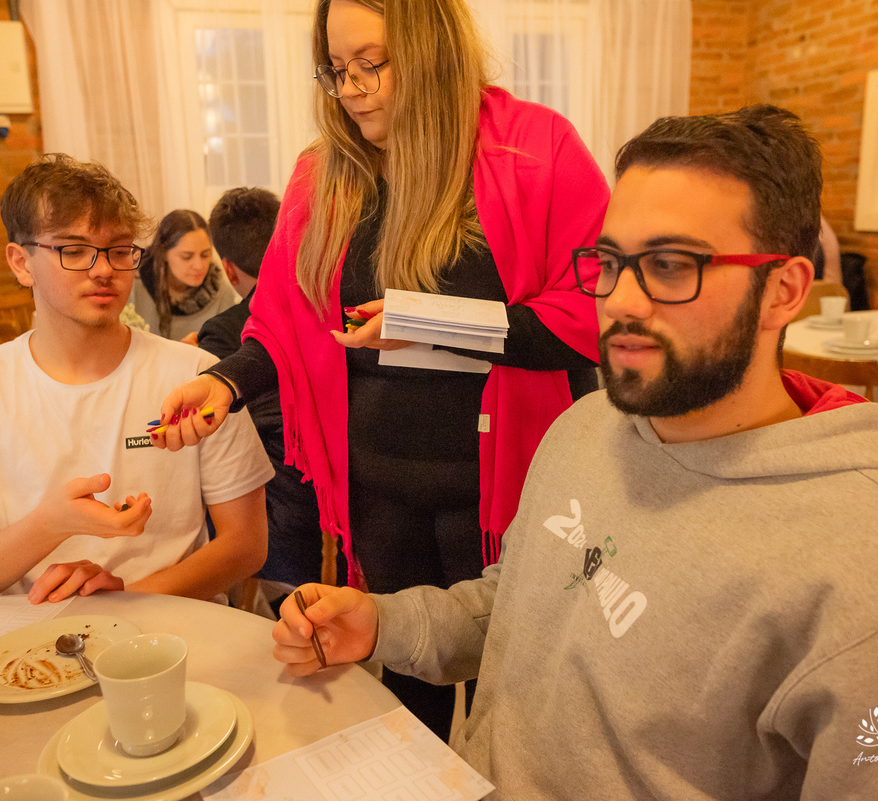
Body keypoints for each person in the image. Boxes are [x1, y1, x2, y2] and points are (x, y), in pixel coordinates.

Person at [271, 106, 878, 799]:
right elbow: (518, 606)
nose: (621, 298)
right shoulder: (587, 427)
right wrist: (381, 623)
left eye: (670, 265)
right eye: (610, 261)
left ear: (784, 290)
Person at [153, 0, 608, 739]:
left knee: (517, 676)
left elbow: (591, 315)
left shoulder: (534, 149)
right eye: (336, 71)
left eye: (371, 64)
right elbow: (287, 323)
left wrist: (429, 321)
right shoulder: (324, 174)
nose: (352, 89)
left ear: (430, 49)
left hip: (505, 483)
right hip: (378, 484)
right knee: (403, 677)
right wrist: (226, 383)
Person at [0, 154, 274, 603]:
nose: (103, 270)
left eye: (118, 250)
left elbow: (246, 544)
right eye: (73, 250)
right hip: (24, 639)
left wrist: (130, 599)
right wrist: (51, 525)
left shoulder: (194, 375)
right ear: (21, 263)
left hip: (171, 628)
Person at [197, 188, 331, 596]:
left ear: (229, 269)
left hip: (288, 521)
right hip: (354, 505)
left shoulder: (224, 331)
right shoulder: (331, 305)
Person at [129, 209, 239, 344]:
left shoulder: (221, 292)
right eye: (187, 257)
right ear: (164, 253)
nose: (199, 265)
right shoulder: (133, 284)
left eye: (205, 255)